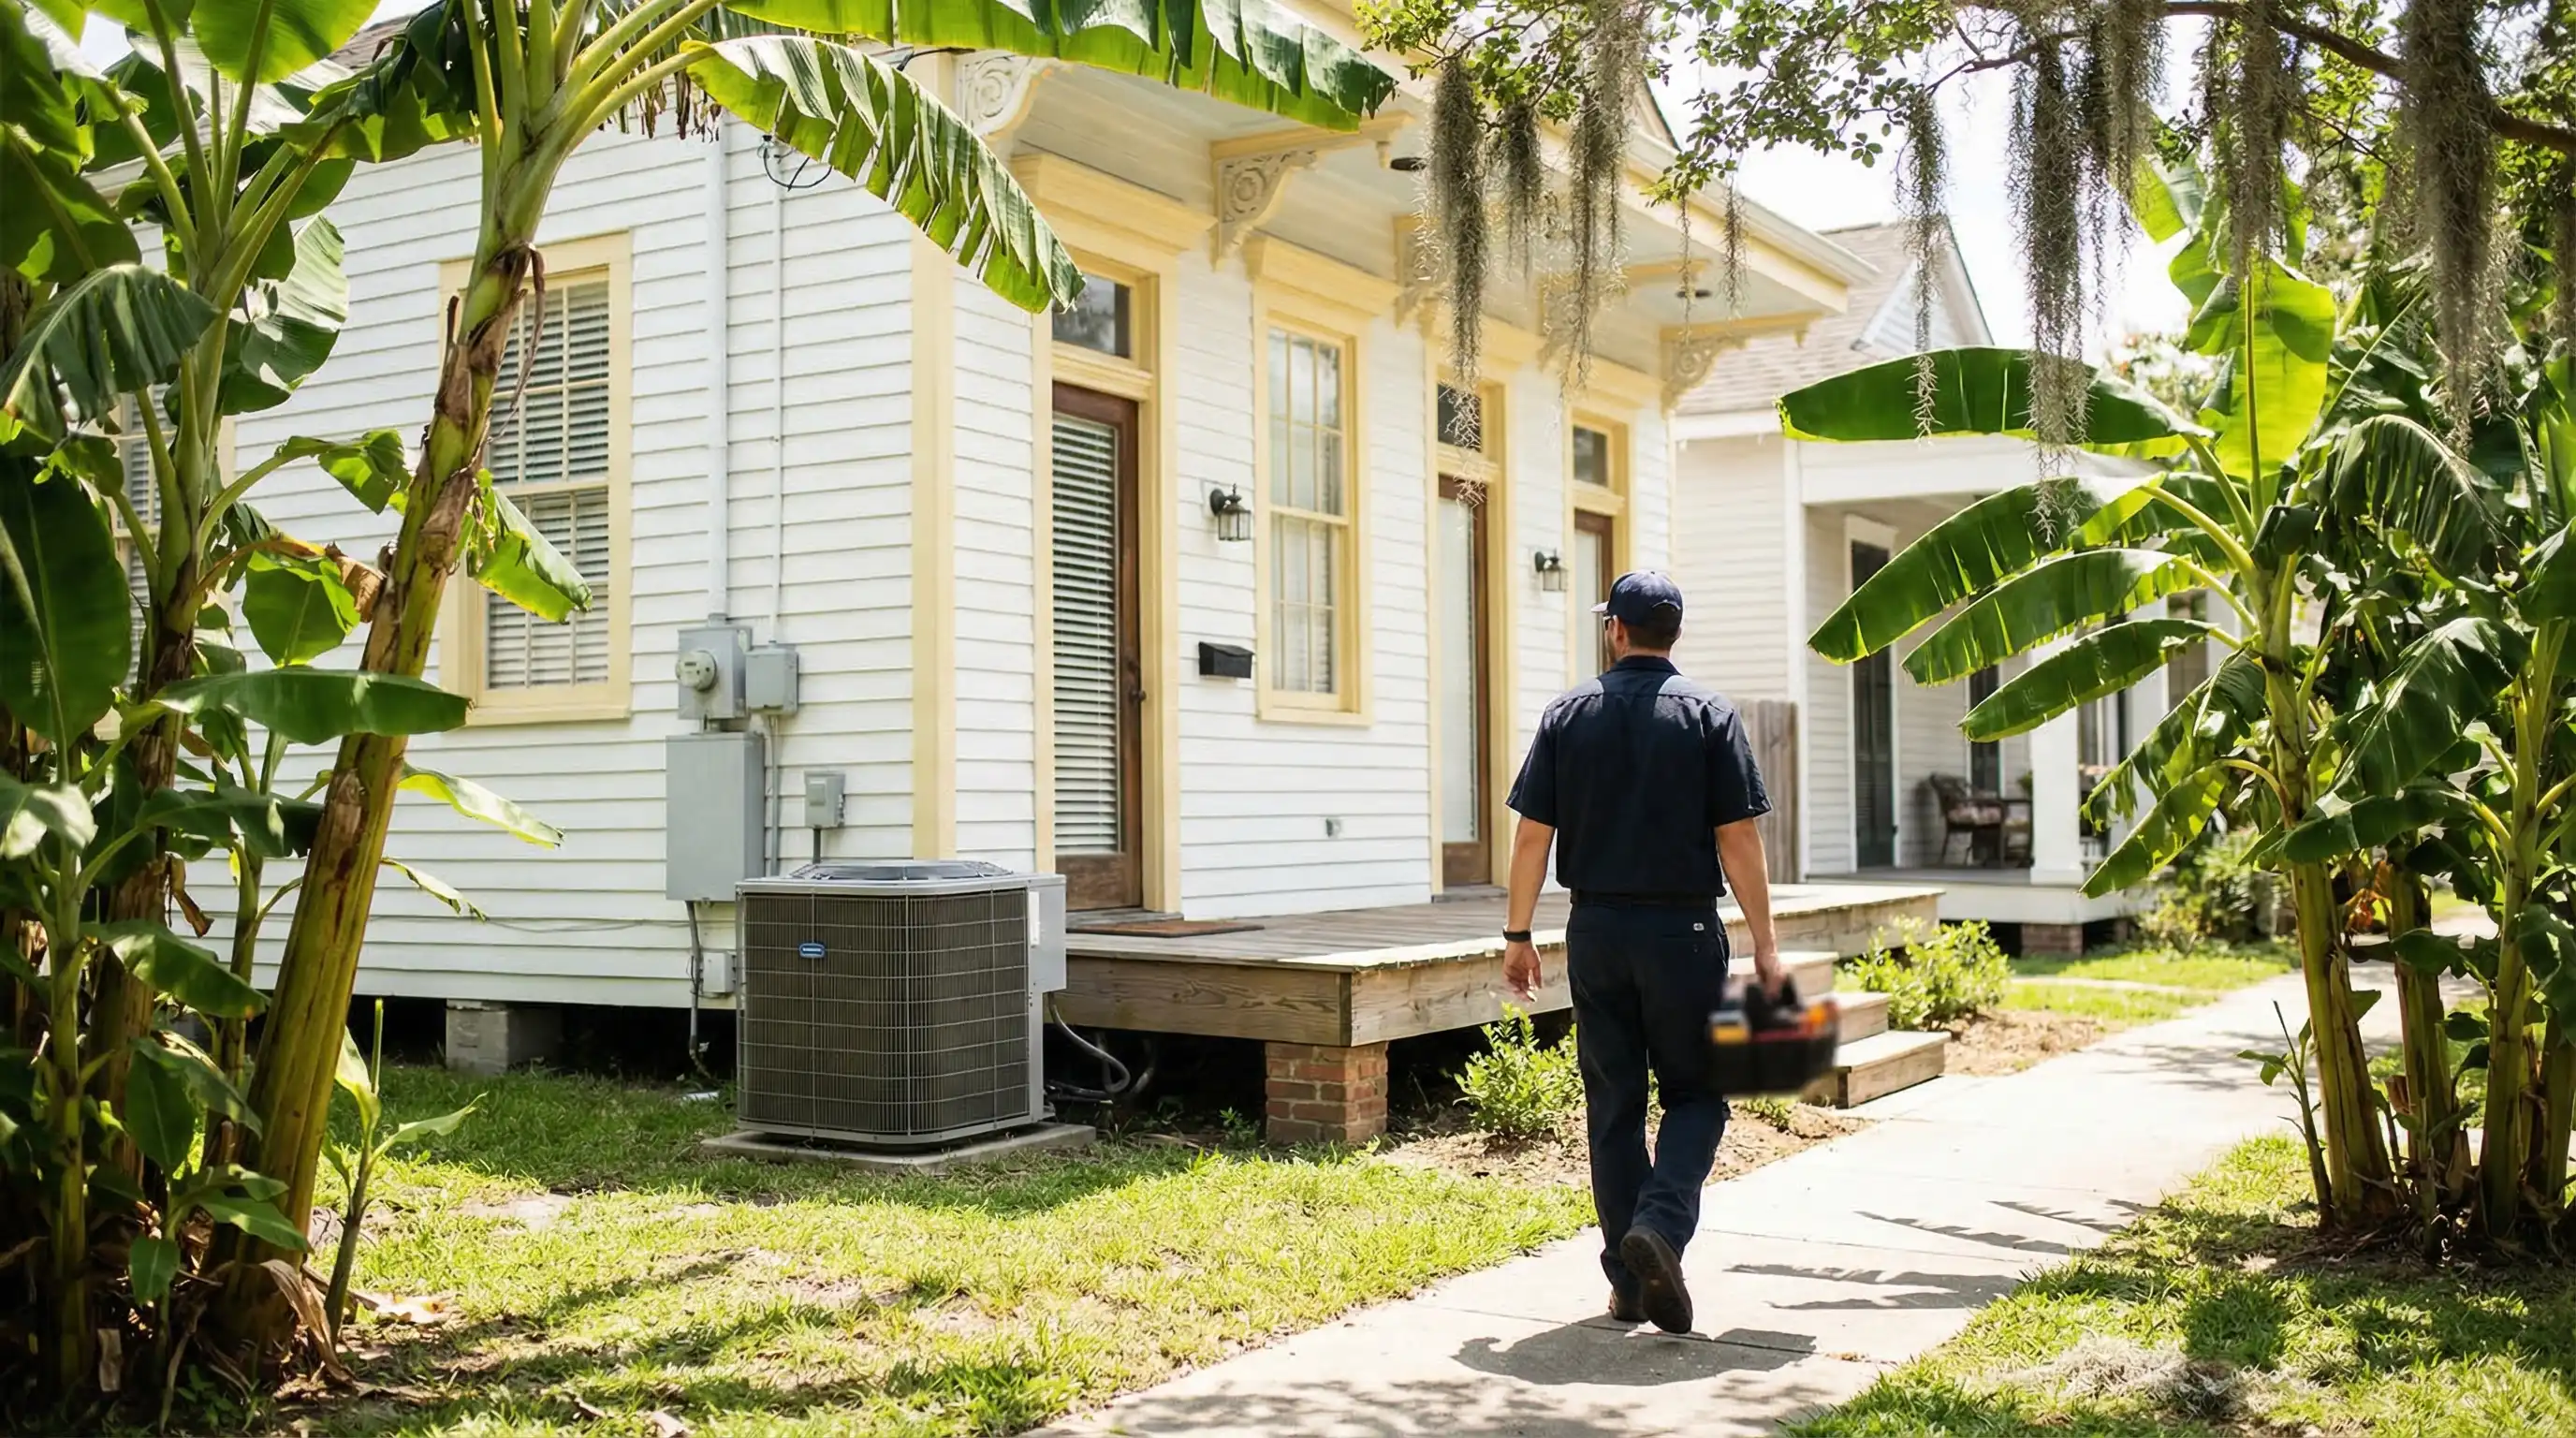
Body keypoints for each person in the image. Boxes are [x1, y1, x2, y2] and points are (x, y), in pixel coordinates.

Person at [1499, 570, 1783, 1336]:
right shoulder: (1709, 715)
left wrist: (1518, 935)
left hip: (1595, 932)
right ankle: (1659, 1224)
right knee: (1696, 1094)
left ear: (1616, 630)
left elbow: (1533, 835)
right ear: (1673, 635)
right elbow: (1738, 840)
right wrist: (1764, 942)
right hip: (1683, 934)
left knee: (1614, 1105)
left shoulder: (1568, 714)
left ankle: (1627, 1283)